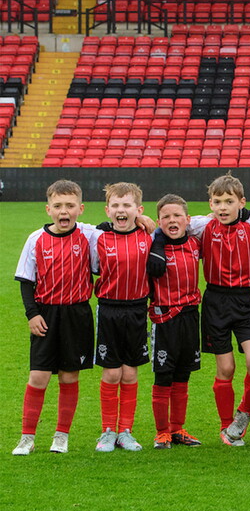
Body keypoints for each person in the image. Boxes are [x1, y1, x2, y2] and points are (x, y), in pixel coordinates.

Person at [150, 173, 250, 447]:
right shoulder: (204, 226)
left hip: (244, 301)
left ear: (242, 202)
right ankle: (227, 427)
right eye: (218, 202)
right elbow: (170, 226)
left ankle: (243, 414)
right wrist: (157, 242)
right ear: (210, 204)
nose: (224, 207)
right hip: (215, 301)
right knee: (225, 368)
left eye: (229, 201)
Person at [13, 180, 98, 455]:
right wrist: (32, 314)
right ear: (48, 209)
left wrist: (143, 219)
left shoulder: (90, 235)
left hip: (77, 314)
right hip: (45, 314)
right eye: (59, 206)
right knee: (38, 377)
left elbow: (119, 232)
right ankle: (27, 437)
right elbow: (26, 281)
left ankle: (61, 436)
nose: (65, 211)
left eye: (70, 206)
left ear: (80, 209)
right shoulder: (35, 239)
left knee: (68, 377)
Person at [90, 182, 152, 453]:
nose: (120, 210)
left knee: (129, 372)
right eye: (115, 205)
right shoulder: (98, 237)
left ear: (138, 210)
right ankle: (107, 431)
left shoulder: (150, 236)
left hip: (138, 310)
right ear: (107, 210)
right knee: (112, 372)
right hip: (109, 310)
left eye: (127, 205)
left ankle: (126, 430)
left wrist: (148, 222)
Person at [148, 194, 203, 449]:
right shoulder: (151, 246)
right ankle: (162, 432)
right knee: (164, 375)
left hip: (190, 316)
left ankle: (178, 428)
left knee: (183, 375)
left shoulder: (195, 243)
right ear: (159, 222)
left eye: (177, 216)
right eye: (166, 217)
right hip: (164, 317)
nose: (172, 220)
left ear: (187, 220)